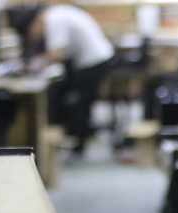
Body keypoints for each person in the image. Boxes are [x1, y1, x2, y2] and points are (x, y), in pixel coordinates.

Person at [25, 3, 114, 155]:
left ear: (35, 22)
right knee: (80, 100)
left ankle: (79, 144)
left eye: (31, 32)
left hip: (93, 61)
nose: (35, 35)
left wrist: (36, 64)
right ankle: (79, 139)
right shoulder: (57, 12)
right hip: (95, 58)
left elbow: (57, 53)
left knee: (80, 102)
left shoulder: (54, 20)